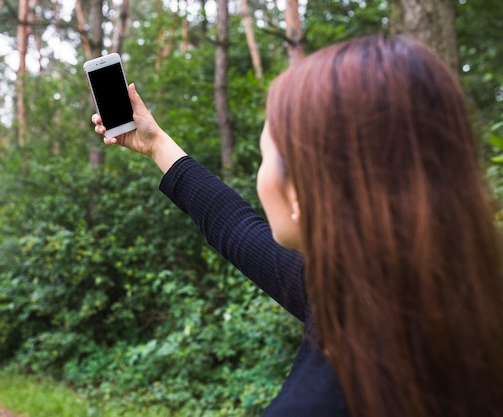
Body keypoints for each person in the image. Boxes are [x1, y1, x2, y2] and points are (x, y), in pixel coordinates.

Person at [92, 34, 503, 417]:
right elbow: (235, 228)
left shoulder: (325, 391)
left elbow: (238, 228)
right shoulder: (407, 295)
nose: (261, 173)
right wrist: (156, 143)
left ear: (306, 188)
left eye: (265, 154)